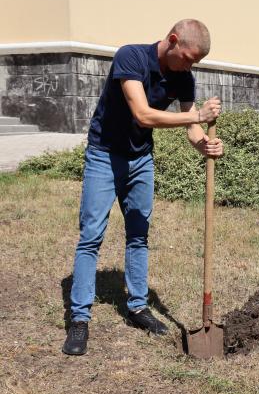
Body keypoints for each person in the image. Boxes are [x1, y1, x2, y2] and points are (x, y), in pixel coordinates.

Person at [62, 19, 224, 356]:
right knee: (91, 234)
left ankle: (137, 307)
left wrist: (203, 146)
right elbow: (143, 115)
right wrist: (196, 117)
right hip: (104, 156)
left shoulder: (183, 78)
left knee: (139, 235)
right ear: (173, 40)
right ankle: (80, 318)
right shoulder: (130, 58)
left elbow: (191, 129)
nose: (190, 66)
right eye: (188, 58)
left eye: (195, 62)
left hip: (139, 160)